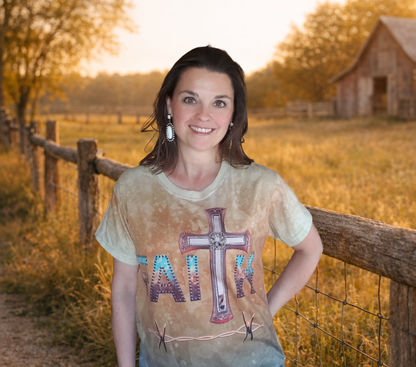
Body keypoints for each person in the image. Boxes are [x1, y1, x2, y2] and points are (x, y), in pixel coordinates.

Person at [95, 46, 323, 367]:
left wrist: (265, 311)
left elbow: (310, 248)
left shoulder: (261, 185)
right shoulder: (134, 189)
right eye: (190, 99)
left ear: (233, 114)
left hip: (253, 361)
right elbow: (123, 288)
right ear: (169, 105)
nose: (204, 115)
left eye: (219, 103)